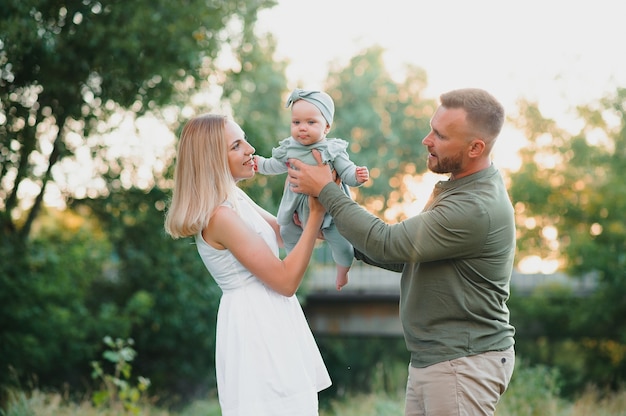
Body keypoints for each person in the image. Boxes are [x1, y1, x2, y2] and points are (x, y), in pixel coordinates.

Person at [287, 88, 516, 416]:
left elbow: (387, 241)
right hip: (438, 361)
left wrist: (326, 190)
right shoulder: (459, 190)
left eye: (440, 135)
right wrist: (339, 236)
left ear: (475, 147)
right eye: (430, 128)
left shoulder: (474, 206)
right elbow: (401, 254)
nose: (427, 139)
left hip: (462, 365)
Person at [164, 114, 331, 416]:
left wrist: (312, 194)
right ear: (212, 158)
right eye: (236, 146)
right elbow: (285, 280)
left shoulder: (234, 200)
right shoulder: (220, 217)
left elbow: (285, 234)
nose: (251, 149)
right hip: (256, 327)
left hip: (273, 319)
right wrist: (316, 216)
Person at [255, 88, 369, 291]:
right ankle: (293, 264)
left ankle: (342, 271)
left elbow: (347, 171)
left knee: (343, 246)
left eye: (311, 122)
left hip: (329, 212)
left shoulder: (332, 150)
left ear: (326, 127)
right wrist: (260, 164)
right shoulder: (289, 149)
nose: (302, 128)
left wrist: (357, 176)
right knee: (288, 232)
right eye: (296, 122)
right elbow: (274, 165)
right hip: (296, 210)